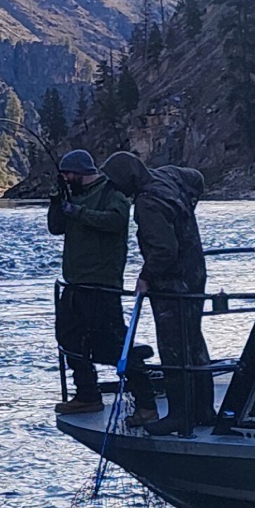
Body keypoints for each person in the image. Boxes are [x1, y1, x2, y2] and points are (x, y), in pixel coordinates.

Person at [100, 151, 212, 435]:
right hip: (195, 271)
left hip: (173, 284)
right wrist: (189, 207)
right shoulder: (168, 175)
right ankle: (204, 409)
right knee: (194, 342)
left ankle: (180, 415)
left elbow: (164, 251)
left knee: (173, 346)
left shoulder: (147, 204)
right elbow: (196, 178)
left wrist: (145, 276)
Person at [49, 149, 156, 415]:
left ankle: (145, 402)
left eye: (67, 173)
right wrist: (58, 202)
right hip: (75, 283)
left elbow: (116, 222)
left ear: (80, 172)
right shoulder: (74, 195)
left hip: (101, 284)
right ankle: (87, 394)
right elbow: (55, 228)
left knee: (113, 342)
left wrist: (78, 211)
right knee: (69, 340)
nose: (65, 177)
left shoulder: (112, 193)